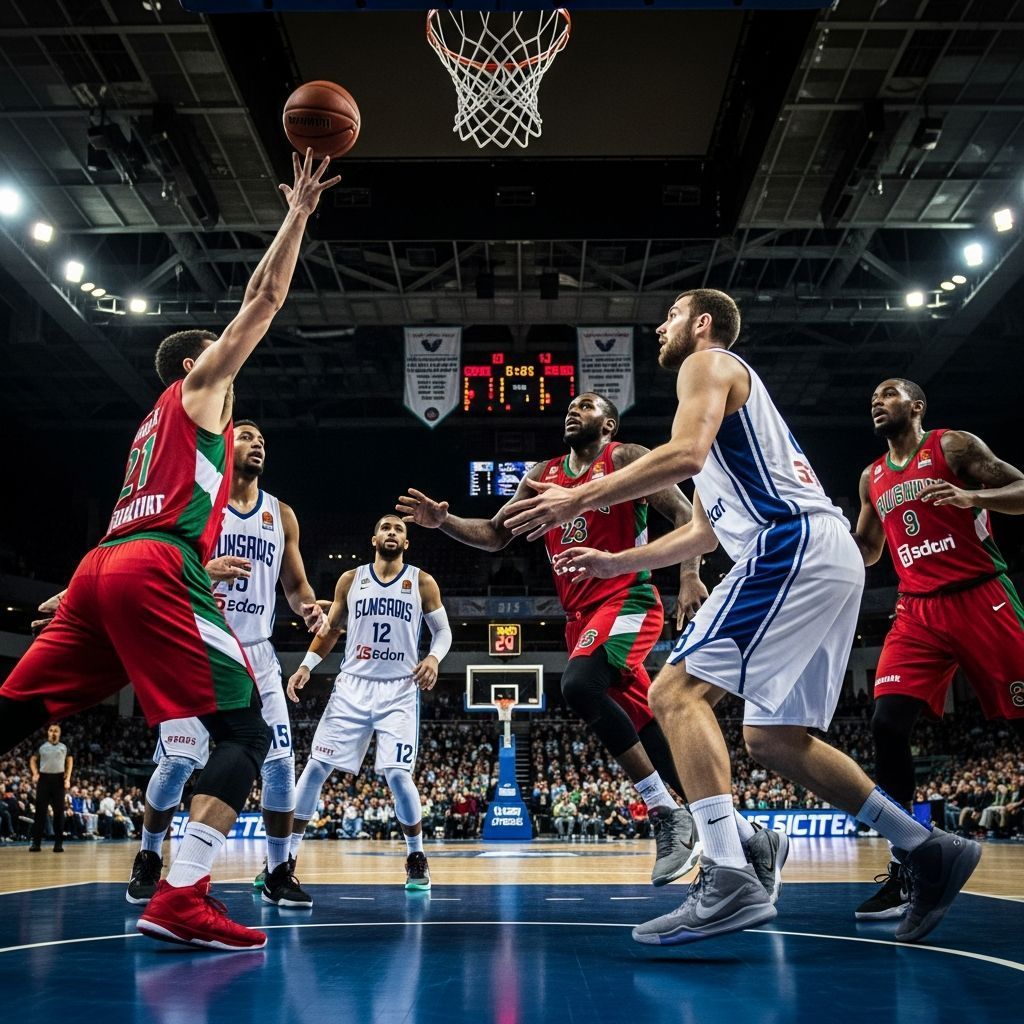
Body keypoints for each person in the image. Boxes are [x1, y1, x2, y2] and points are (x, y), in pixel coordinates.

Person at [511, 288, 982, 946]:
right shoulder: (724, 412)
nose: (659, 327)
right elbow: (703, 535)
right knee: (774, 739)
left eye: (670, 315)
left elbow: (682, 459)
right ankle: (928, 849)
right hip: (826, 554)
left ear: (701, 323)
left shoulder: (706, 365)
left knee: (673, 691)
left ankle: (728, 873)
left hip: (789, 544)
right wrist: (615, 564)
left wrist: (574, 499)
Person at [0, 150, 340, 951]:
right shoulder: (198, 389)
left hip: (108, 567)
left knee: (18, 709)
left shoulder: (151, 423)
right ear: (197, 364)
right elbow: (263, 299)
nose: (235, 378)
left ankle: (176, 881)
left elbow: (144, 513)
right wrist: (297, 214)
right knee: (249, 734)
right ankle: (183, 892)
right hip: (151, 567)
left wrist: (93, 586)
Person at [397, 392, 707, 886]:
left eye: (585, 406)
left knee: (580, 685)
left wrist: (689, 575)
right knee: (645, 722)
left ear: (608, 424)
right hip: (578, 616)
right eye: (571, 406)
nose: (572, 410)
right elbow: (497, 533)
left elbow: (688, 514)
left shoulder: (625, 458)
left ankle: (664, 812)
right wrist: (443, 522)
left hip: (627, 599)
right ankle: (742, 833)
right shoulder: (542, 475)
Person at [125, 419, 326, 909]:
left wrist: (307, 607)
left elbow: (295, 585)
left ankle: (278, 871)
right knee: (177, 763)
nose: (258, 443)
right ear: (223, 443)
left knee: (281, 765)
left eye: (263, 439)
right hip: (195, 644)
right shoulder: (195, 502)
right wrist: (201, 567)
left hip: (257, 652)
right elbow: (154, 562)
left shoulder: (281, 514)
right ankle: (151, 856)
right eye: (247, 435)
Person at [849, 378, 1024, 919]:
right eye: (872, 397)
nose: (877, 402)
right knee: (886, 724)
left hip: (980, 595)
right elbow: (869, 548)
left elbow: (1020, 489)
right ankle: (910, 865)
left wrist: (974, 496)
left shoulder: (953, 447)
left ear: (917, 407)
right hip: (917, 609)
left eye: (888, 394)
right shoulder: (871, 477)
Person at [286, 515, 452, 892]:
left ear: (406, 543)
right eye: (386, 527)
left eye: (399, 530)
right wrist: (306, 666)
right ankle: (285, 855)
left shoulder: (421, 581)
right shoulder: (351, 579)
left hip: (398, 688)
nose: (392, 533)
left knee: (397, 775)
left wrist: (433, 659)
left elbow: (442, 631)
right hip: (352, 686)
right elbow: (330, 630)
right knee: (315, 769)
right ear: (374, 537)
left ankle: (416, 855)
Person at [29, 724, 72, 852]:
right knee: (40, 813)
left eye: (56, 731)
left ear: (59, 733)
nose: (53, 733)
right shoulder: (42, 746)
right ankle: (36, 843)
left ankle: (58, 844)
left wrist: (68, 778)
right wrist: (35, 773)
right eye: (51, 730)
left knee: (59, 813)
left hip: (59, 781)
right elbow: (32, 759)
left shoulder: (63, 747)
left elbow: (70, 761)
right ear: (48, 732)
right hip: (44, 780)